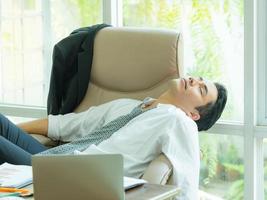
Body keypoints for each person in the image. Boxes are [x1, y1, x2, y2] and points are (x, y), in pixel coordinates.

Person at [0, 76, 227, 200]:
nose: (194, 81)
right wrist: (10, 133)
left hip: (68, 175)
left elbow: (186, 184)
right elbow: (63, 125)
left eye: (201, 89)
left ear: (194, 114)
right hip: (51, 157)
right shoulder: (129, 107)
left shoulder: (179, 121)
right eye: (198, 79)